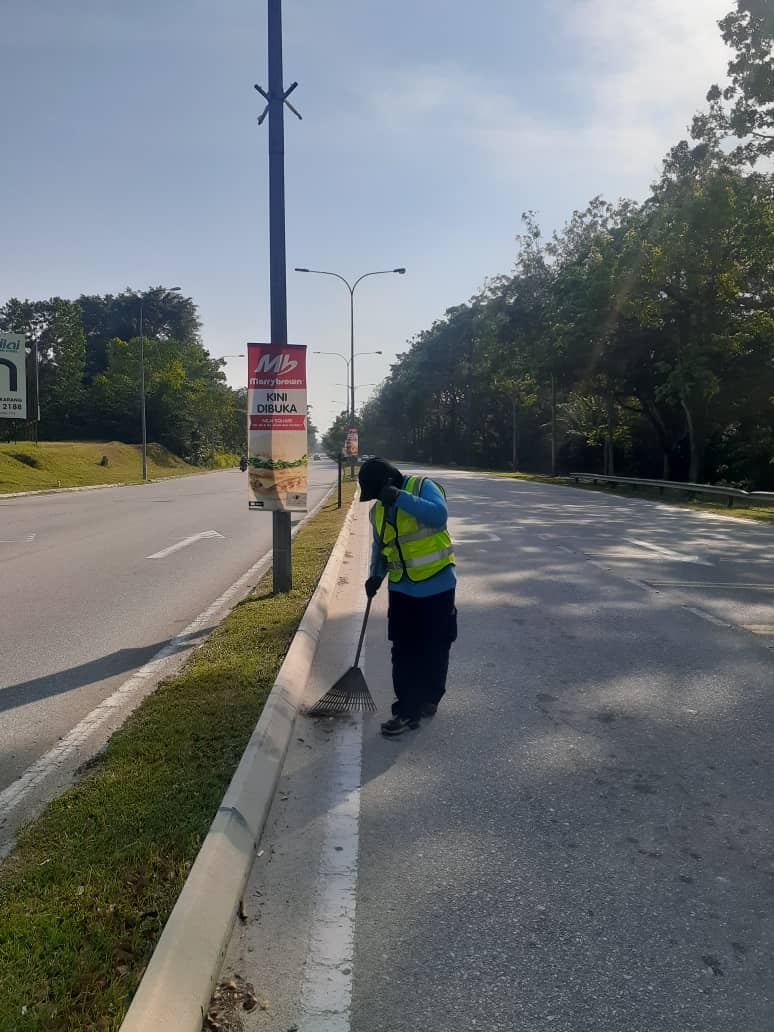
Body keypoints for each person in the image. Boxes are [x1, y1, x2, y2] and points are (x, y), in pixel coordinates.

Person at [358, 457, 457, 737]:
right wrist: (375, 575)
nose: (377, 499)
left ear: (388, 483)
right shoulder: (377, 511)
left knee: (436, 646)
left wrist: (400, 498)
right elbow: (381, 548)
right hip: (402, 588)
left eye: (378, 493)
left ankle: (430, 698)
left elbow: (439, 516)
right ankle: (405, 710)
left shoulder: (423, 487)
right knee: (403, 650)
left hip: (438, 585)